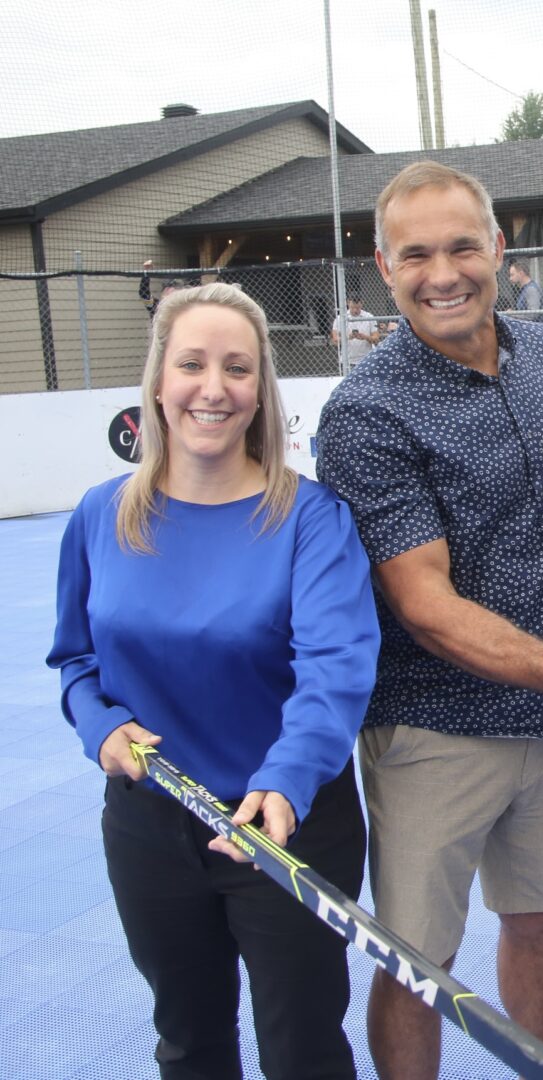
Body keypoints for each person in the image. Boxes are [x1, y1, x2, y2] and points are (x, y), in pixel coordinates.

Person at [315, 161, 543, 1079]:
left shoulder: (542, 353)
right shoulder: (364, 414)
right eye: (416, 254)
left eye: (463, 245)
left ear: (499, 251)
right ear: (383, 268)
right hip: (432, 726)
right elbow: (425, 609)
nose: (443, 272)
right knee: (419, 963)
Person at [47, 283, 380, 1079]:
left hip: (283, 825)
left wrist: (287, 781)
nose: (214, 387)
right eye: (192, 364)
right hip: (150, 829)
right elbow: (75, 661)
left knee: (302, 1051)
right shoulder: (100, 515)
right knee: (189, 1041)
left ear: (259, 390)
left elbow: (336, 668)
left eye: (237, 368)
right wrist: (99, 728)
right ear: (159, 381)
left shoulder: (311, 518)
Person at [329, 294, 380, 367]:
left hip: (366, 359)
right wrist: (348, 337)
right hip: (347, 360)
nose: (355, 310)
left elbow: (376, 339)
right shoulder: (340, 318)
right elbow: (335, 340)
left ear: (362, 304)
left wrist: (365, 337)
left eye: (358, 308)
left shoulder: (369, 317)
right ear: (348, 303)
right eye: (352, 307)